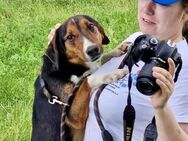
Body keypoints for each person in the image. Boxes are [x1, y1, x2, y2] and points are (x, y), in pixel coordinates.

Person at [83, 0, 188, 141]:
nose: (147, 8)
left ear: (185, 12)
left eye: (162, 2)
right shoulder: (138, 39)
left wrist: (161, 109)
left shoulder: (183, 65)